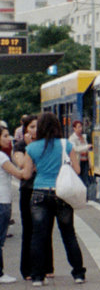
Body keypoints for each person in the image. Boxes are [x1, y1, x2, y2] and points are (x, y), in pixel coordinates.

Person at [20, 111, 86, 286]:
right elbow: (77, 170)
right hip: (62, 194)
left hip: (40, 194)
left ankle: (37, 277)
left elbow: (26, 174)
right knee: (69, 234)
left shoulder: (31, 148)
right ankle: (78, 273)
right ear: (57, 126)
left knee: (38, 236)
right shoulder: (66, 145)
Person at [13, 114, 45, 280]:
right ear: (25, 130)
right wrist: (29, 147)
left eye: (38, 126)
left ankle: (46, 266)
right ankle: (27, 269)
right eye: (32, 127)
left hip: (43, 189)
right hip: (27, 190)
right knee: (29, 230)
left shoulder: (45, 143)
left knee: (43, 229)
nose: (35, 130)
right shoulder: (20, 145)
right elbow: (22, 166)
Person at [0, 126, 27, 282]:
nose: (9, 139)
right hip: (2, 201)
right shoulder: (2, 158)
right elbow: (19, 174)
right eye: (4, 136)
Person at [69, 118, 92, 189]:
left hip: (85, 161)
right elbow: (75, 149)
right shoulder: (72, 138)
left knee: (85, 179)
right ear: (74, 128)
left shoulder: (84, 137)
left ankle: (85, 195)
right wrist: (86, 147)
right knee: (78, 179)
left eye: (81, 127)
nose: (80, 129)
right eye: (78, 127)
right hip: (78, 162)